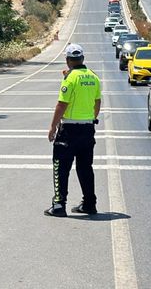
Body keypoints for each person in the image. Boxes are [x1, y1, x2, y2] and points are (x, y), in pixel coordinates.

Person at [45, 44, 101, 217]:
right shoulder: (93, 77)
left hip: (68, 129)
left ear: (68, 60)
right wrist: (90, 118)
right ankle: (89, 204)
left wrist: (53, 126)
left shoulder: (70, 79)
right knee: (85, 168)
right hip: (87, 128)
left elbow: (62, 104)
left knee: (61, 167)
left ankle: (59, 205)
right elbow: (97, 102)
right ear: (82, 59)